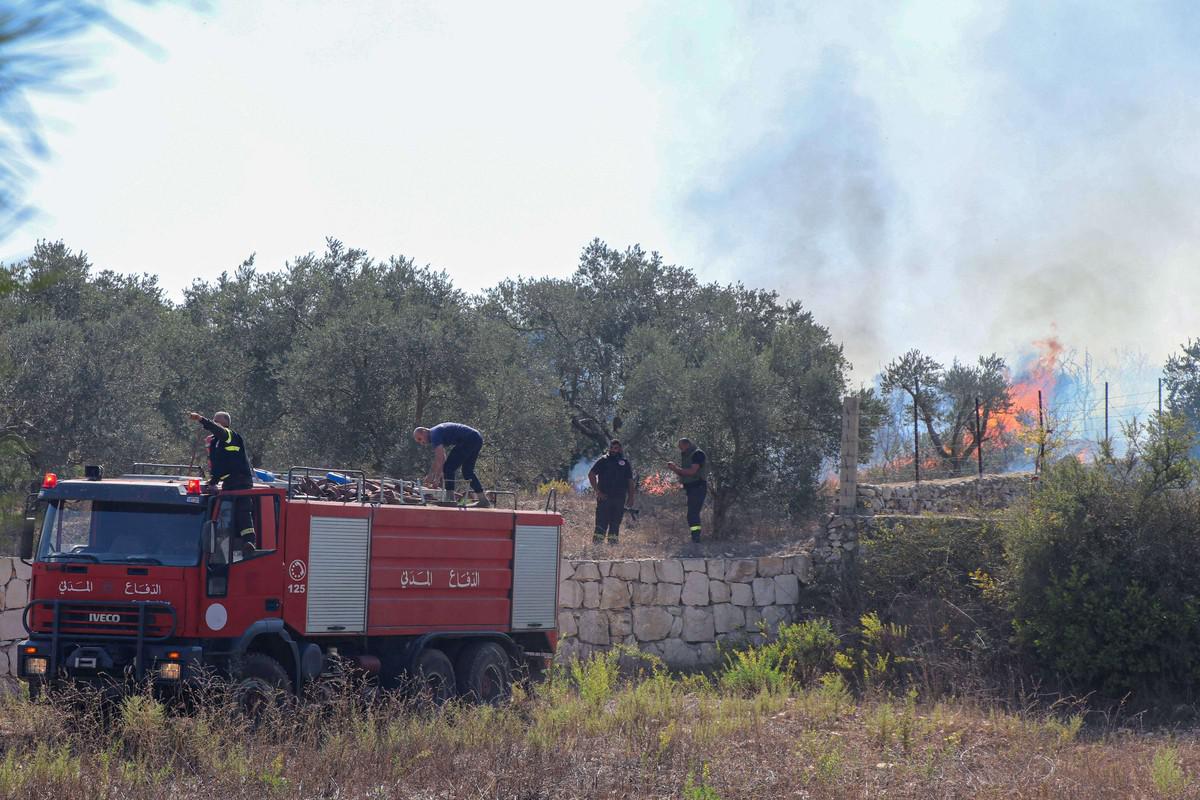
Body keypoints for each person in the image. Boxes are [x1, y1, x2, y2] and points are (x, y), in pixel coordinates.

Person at [188, 410, 256, 547]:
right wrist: (212, 482)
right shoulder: (215, 442)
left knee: (242, 510)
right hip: (229, 482)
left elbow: (217, 430)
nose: (214, 423)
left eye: (217, 421)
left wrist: (201, 419)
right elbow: (218, 467)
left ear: (226, 423)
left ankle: (249, 541)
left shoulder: (230, 435)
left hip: (241, 480)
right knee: (226, 512)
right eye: (214, 420)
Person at [413, 423, 490, 508]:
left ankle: (450, 500)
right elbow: (442, 457)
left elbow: (440, 458)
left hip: (469, 439)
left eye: (420, 439)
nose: (421, 443)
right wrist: (434, 476)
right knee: (467, 471)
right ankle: (483, 500)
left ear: (424, 431)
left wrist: (433, 477)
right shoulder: (436, 432)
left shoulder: (434, 434)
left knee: (449, 468)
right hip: (476, 438)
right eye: (419, 441)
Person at [588, 439, 636, 545]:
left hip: (619, 498)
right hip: (604, 498)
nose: (615, 450)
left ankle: (612, 545)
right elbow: (591, 474)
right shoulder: (603, 461)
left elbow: (630, 481)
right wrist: (598, 491)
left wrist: (631, 497)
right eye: (613, 447)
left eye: (617, 448)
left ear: (620, 449)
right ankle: (597, 546)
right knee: (601, 523)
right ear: (609, 448)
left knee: (615, 524)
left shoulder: (625, 463)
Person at [666, 437, 707, 543]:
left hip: (698, 487)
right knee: (692, 513)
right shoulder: (688, 455)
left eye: (681, 447)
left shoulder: (697, 454)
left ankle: (696, 538)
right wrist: (675, 469)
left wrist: (675, 468)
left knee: (693, 513)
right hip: (692, 488)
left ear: (687, 444)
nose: (680, 449)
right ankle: (695, 536)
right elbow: (684, 473)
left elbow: (692, 471)